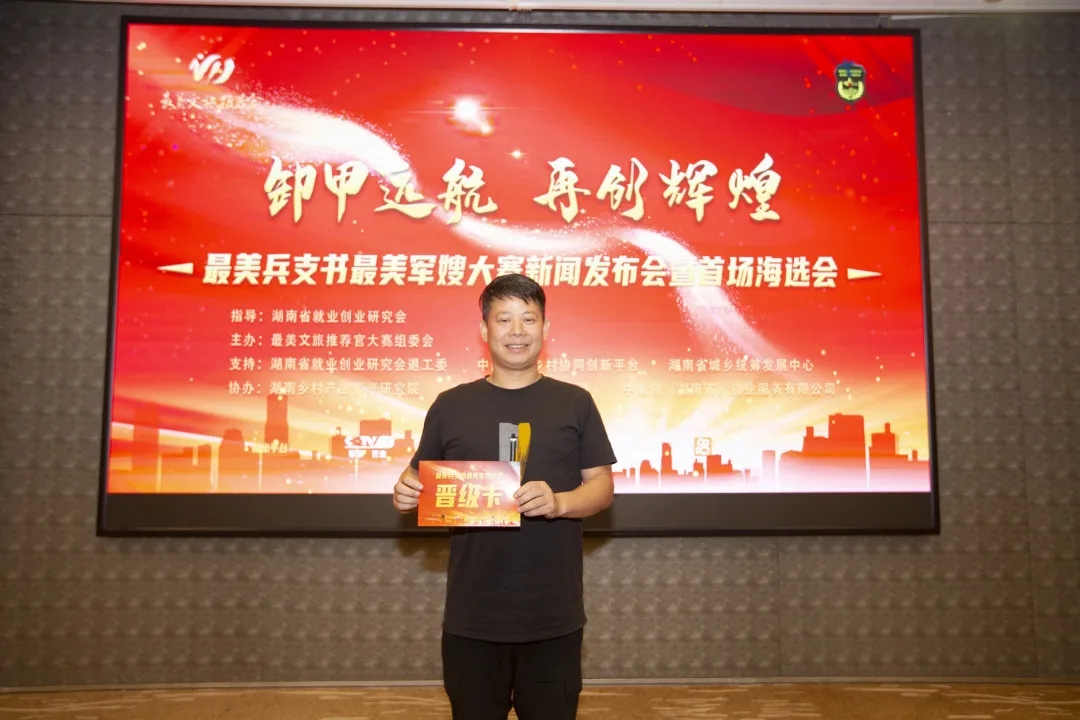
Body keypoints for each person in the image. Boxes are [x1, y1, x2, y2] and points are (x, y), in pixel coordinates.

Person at [393, 273, 617, 720]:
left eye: (528, 319)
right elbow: (416, 477)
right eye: (504, 319)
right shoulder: (450, 405)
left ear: (545, 328)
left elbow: (602, 487)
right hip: (472, 617)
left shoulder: (575, 402)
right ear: (484, 329)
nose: (517, 331)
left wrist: (559, 502)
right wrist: (405, 490)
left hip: (552, 616)